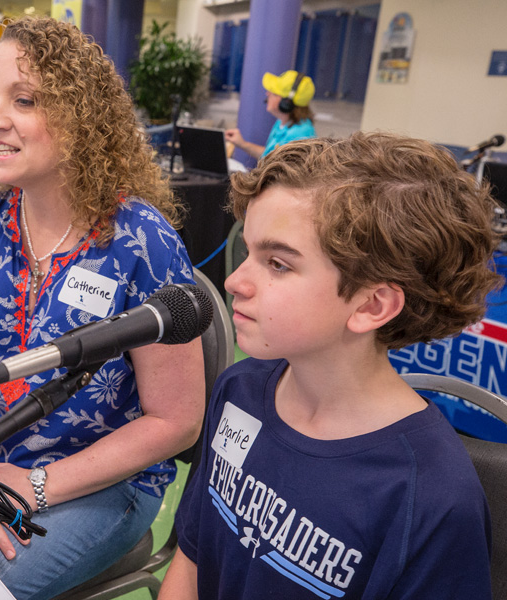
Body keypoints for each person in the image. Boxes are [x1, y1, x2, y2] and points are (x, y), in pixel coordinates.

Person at [0, 16, 205, 600]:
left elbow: (176, 420)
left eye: (23, 100)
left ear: (81, 118)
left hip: (103, 483)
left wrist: (35, 485)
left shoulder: (140, 242)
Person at [159, 132, 501, 599]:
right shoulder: (237, 390)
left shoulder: (432, 497)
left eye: (277, 263)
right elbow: (193, 556)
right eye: (249, 253)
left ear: (371, 305)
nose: (235, 281)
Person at [225, 69, 316, 160]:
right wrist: (242, 144)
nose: (267, 94)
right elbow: (269, 155)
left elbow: (282, 170)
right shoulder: (282, 122)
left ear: (286, 103)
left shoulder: (301, 135)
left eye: (274, 93)